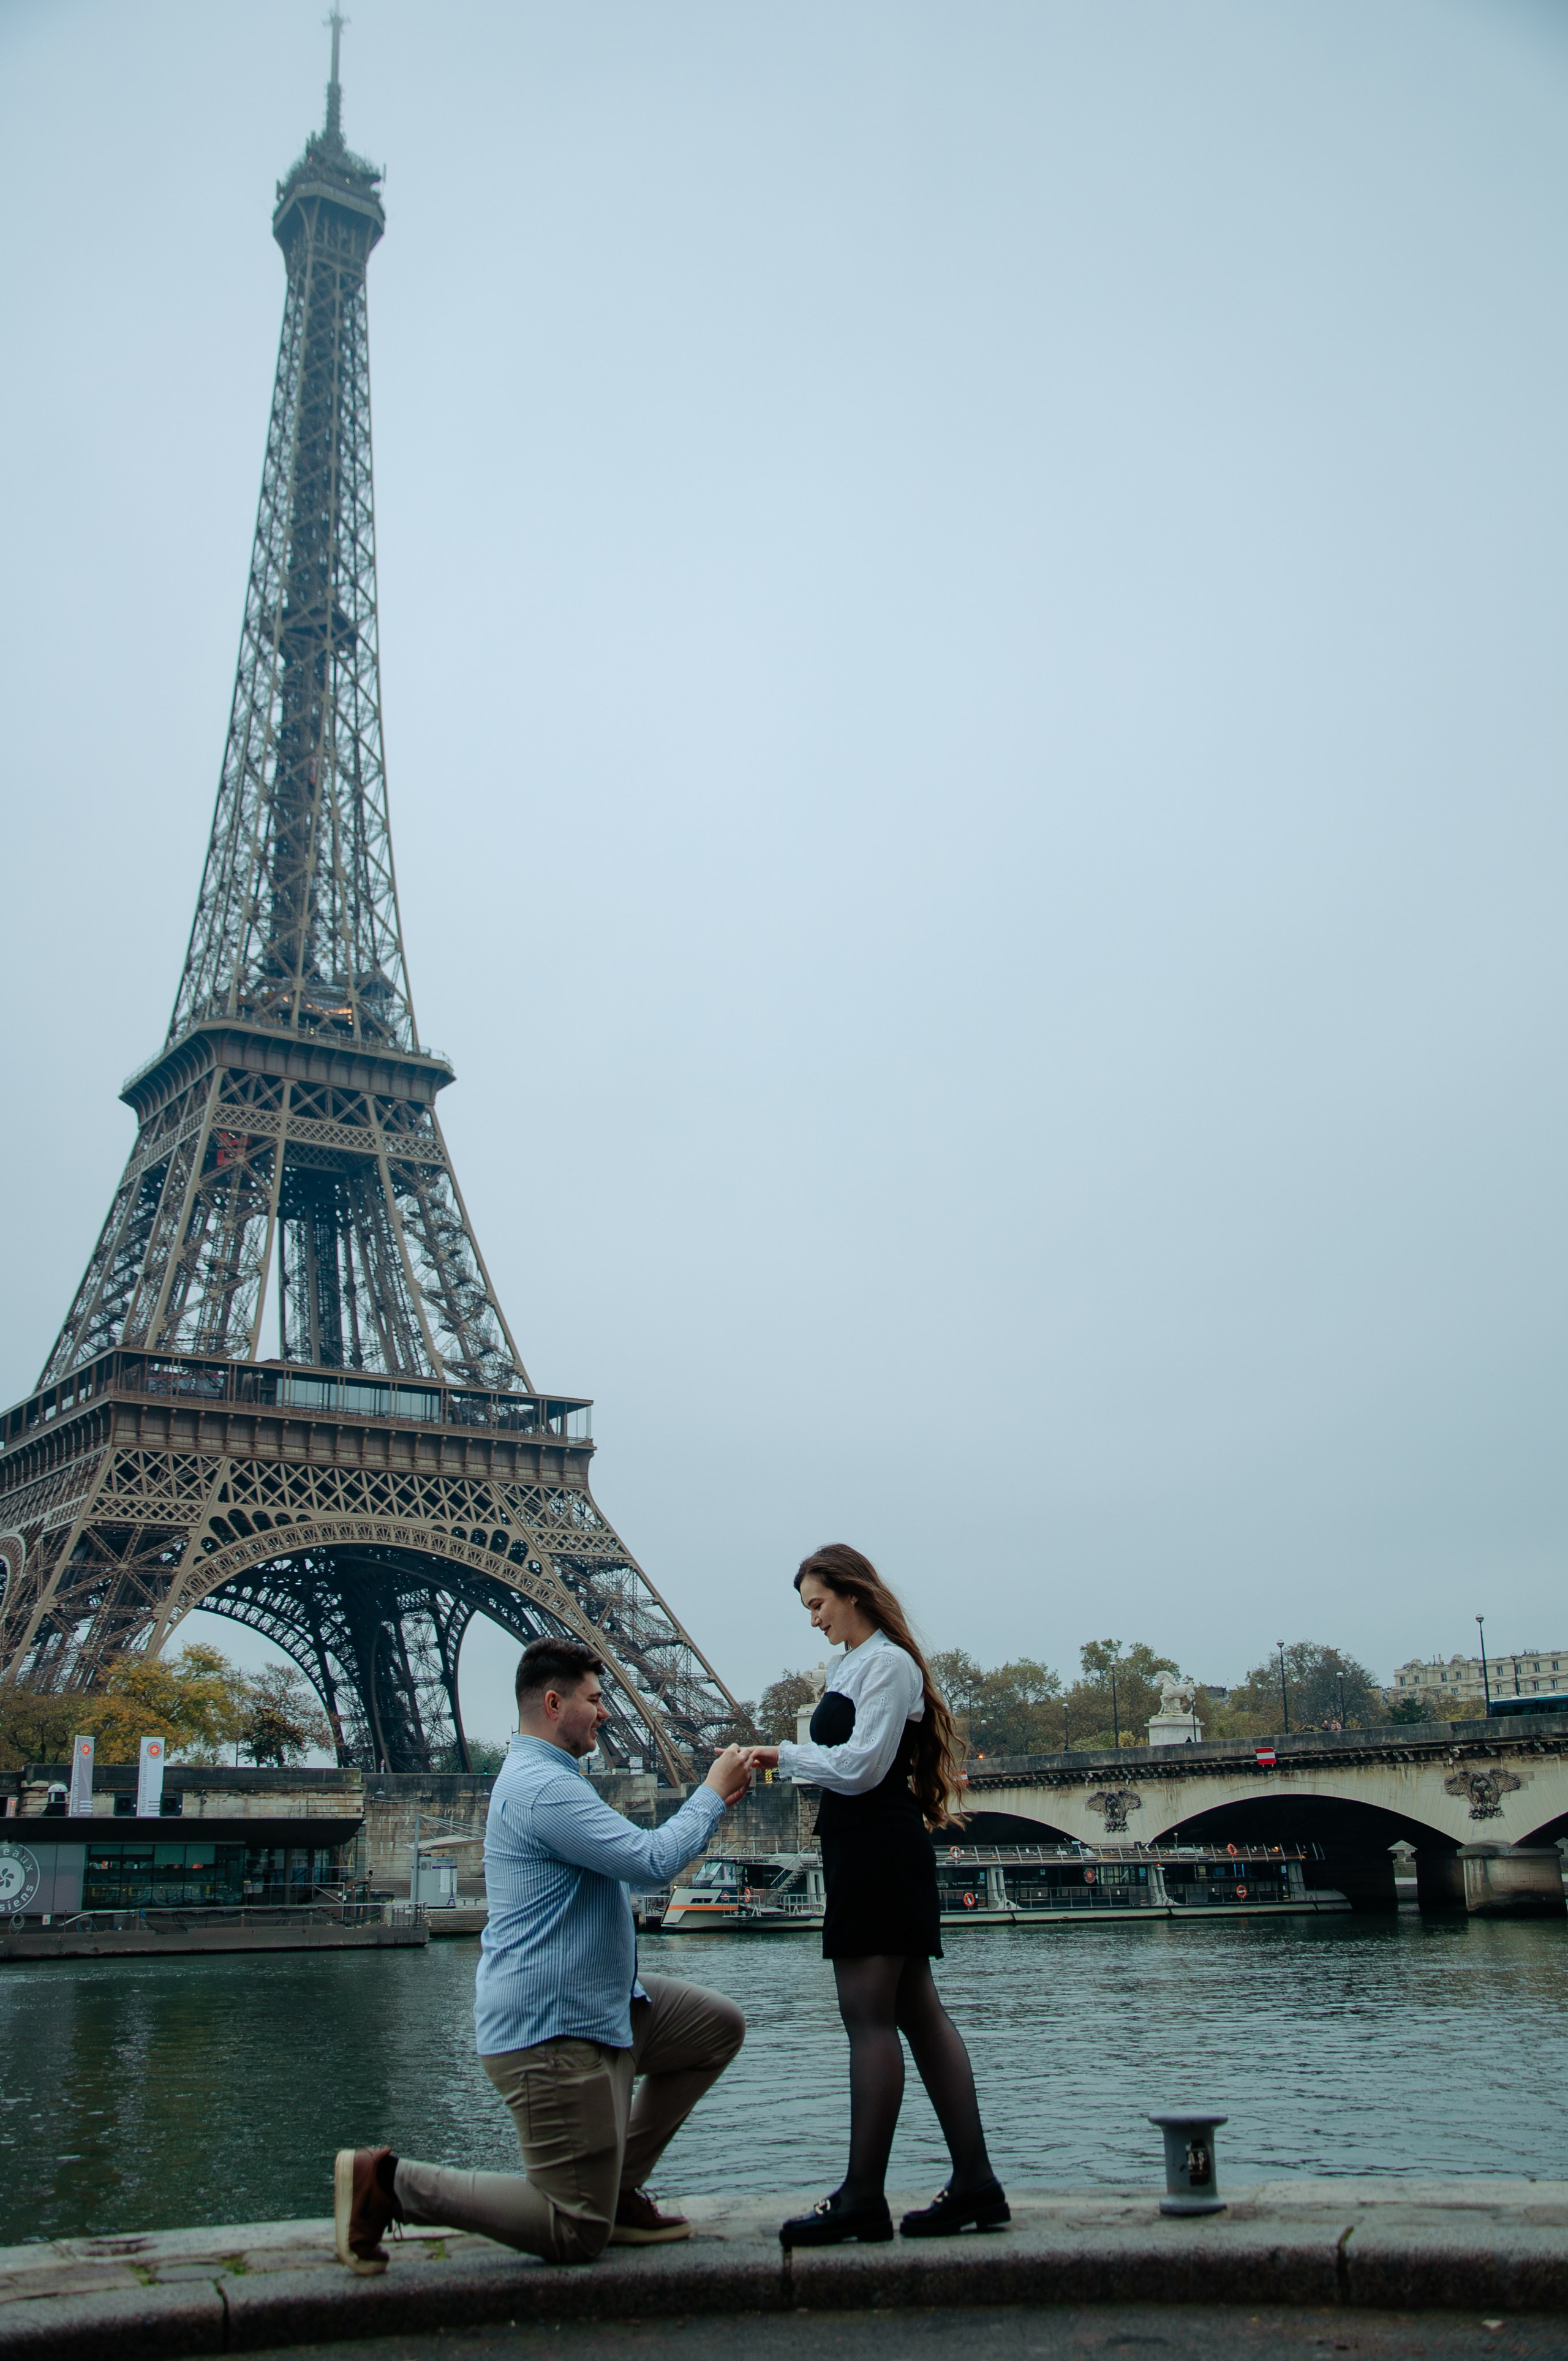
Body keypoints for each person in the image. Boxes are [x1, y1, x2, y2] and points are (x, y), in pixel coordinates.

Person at [334, 1637, 753, 2272]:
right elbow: (649, 1865)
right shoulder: (542, 1790)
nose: (607, 1712)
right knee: (575, 2232)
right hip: (553, 2025)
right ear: (554, 1704)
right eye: (594, 1699)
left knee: (716, 2028)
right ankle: (389, 2185)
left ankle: (613, 2189)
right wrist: (711, 1794)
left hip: (601, 2002)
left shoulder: (555, 1780)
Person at [747, 1544, 1008, 2247]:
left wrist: (781, 1754)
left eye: (817, 1604)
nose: (813, 1619)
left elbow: (861, 1767)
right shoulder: (851, 1665)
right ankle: (975, 2182)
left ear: (853, 1592)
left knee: (868, 2019)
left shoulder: (888, 1664)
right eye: (807, 1608)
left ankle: (864, 2195)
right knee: (916, 2014)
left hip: (877, 1848)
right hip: (864, 1846)